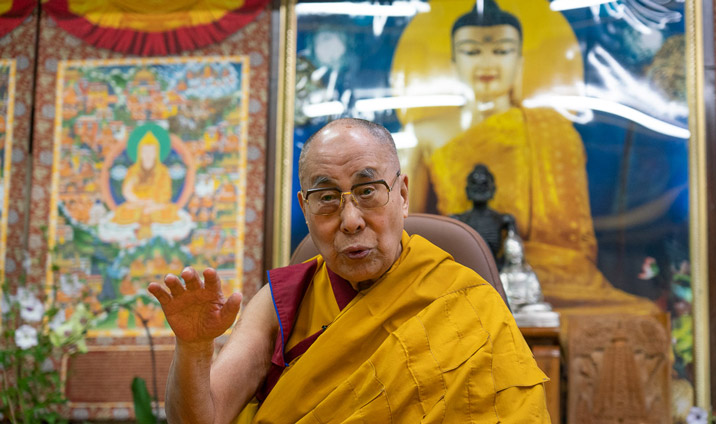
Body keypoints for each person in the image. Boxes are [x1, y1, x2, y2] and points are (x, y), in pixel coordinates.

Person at [148, 118, 550, 423]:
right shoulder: (283, 300)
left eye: (368, 190)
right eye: (327, 198)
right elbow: (203, 417)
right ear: (305, 210)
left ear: (402, 196)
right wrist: (195, 348)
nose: (351, 220)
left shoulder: (467, 301)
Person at [408, 0, 659, 319]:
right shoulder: (426, 132)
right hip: (458, 270)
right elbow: (409, 232)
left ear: (520, 60)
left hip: (553, 276)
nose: (487, 63)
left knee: (642, 316)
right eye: (472, 52)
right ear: (453, 61)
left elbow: (576, 244)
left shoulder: (554, 130)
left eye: (502, 51)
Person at [112, 123, 179, 237]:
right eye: (145, 151)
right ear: (140, 153)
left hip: (156, 206)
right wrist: (138, 201)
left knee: (170, 212)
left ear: (156, 153)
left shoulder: (162, 171)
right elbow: (127, 192)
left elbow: (166, 194)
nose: (148, 154)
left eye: (151, 151)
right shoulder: (133, 170)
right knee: (121, 212)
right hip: (137, 204)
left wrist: (154, 203)